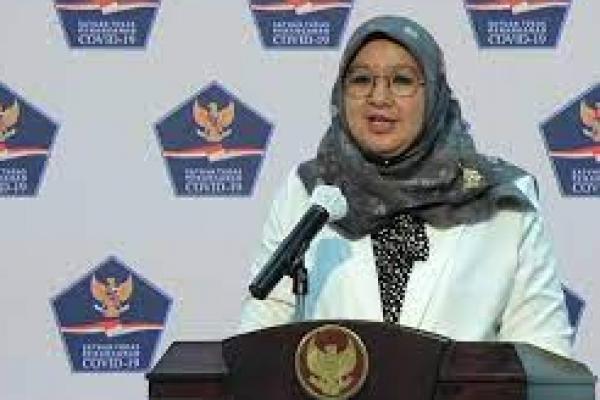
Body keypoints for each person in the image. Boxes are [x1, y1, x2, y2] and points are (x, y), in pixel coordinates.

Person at [238, 15, 573, 358]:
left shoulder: (499, 198)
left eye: (401, 80)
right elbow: (259, 336)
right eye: (361, 80)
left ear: (435, 94)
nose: (378, 97)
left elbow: (544, 352)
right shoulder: (309, 190)